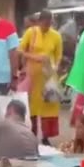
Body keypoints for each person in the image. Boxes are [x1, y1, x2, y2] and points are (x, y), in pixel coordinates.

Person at [18, 10, 63, 144]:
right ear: (39, 22)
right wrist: (34, 57)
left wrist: (56, 66)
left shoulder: (56, 36)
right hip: (32, 77)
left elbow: (59, 55)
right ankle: (32, 135)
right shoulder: (31, 33)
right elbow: (20, 51)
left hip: (48, 78)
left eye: (50, 24)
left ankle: (46, 137)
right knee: (32, 107)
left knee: (48, 107)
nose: (47, 26)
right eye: (45, 23)